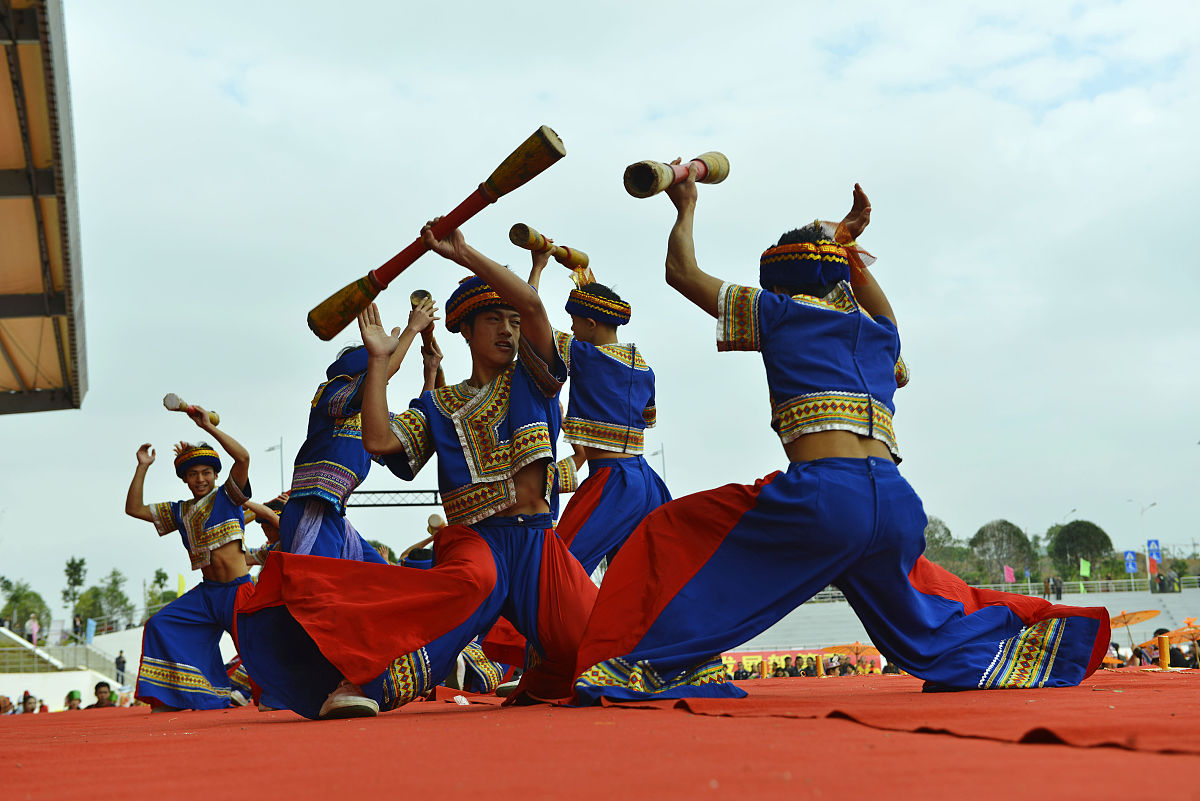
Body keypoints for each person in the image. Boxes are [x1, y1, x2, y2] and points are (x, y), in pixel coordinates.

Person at [571, 171, 1111, 705]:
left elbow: (681, 272)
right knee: (925, 634)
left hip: (826, 498)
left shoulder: (778, 313)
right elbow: (881, 306)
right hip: (897, 504)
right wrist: (843, 243)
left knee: (667, 530)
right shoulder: (879, 333)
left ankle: (643, 664)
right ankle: (1043, 647)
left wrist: (685, 204)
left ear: (778, 283)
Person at [236, 221, 598, 719]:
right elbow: (379, 440)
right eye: (494, 319)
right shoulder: (440, 406)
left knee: (606, 656)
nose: (508, 330)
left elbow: (535, 306)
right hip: (478, 541)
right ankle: (365, 682)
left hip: (539, 542)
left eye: (512, 321)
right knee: (469, 586)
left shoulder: (535, 380)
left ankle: (546, 672)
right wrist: (382, 362)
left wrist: (465, 254)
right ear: (466, 330)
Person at [525, 247, 671, 578]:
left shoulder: (585, 356)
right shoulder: (645, 369)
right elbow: (648, 418)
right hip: (646, 480)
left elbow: (530, 317)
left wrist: (538, 266)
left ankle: (508, 634)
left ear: (590, 324)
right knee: (642, 579)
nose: (572, 330)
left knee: (553, 574)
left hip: (612, 481)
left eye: (575, 323)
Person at [124, 406, 264, 712]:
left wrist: (208, 429)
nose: (200, 478)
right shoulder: (180, 510)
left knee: (257, 652)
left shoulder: (229, 496)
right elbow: (133, 508)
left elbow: (243, 458)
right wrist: (143, 466)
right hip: (206, 594)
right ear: (185, 479)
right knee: (160, 623)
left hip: (238, 591)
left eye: (206, 472)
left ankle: (277, 693)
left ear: (215, 475)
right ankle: (176, 697)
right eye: (193, 474)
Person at [275, 299, 436, 563]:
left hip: (334, 514)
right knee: (313, 593)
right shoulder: (330, 391)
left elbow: (416, 430)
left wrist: (429, 372)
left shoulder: (373, 420)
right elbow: (382, 374)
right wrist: (412, 330)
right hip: (312, 505)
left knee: (384, 578)